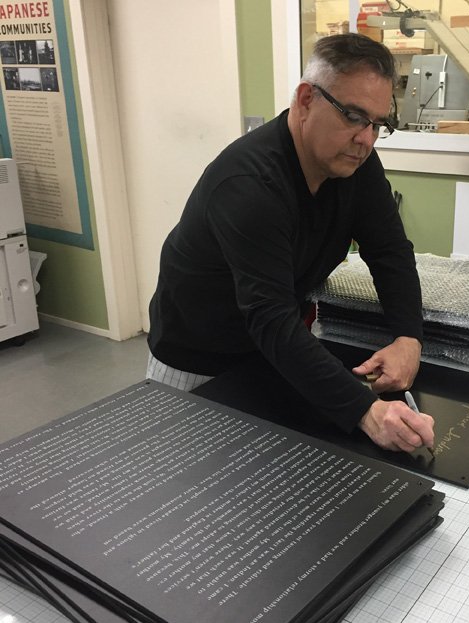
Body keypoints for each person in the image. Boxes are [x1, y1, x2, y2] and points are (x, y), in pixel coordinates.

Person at [147, 33, 434, 454]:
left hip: (270, 352)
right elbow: (270, 316)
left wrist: (409, 337)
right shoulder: (249, 185)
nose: (366, 139)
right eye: (353, 116)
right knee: (187, 489)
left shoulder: (357, 164)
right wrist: (367, 411)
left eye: (377, 123)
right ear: (305, 100)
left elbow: (389, 250)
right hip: (196, 359)